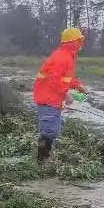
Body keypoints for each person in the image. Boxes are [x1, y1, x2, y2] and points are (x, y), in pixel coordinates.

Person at [32, 27, 88, 163]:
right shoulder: (62, 57)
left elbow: (66, 79)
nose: (81, 43)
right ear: (73, 42)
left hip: (52, 99)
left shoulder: (66, 56)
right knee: (48, 132)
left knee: (52, 131)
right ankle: (42, 163)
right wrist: (66, 95)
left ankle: (45, 160)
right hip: (48, 99)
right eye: (79, 40)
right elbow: (54, 80)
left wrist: (79, 86)